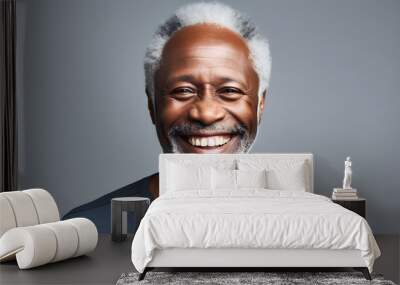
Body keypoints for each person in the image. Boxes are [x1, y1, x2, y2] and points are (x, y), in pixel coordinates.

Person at [63, 2, 272, 232]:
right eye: (183, 91)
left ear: (260, 104)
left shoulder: (293, 226)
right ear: (152, 104)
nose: (206, 114)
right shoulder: (86, 230)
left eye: (230, 91)